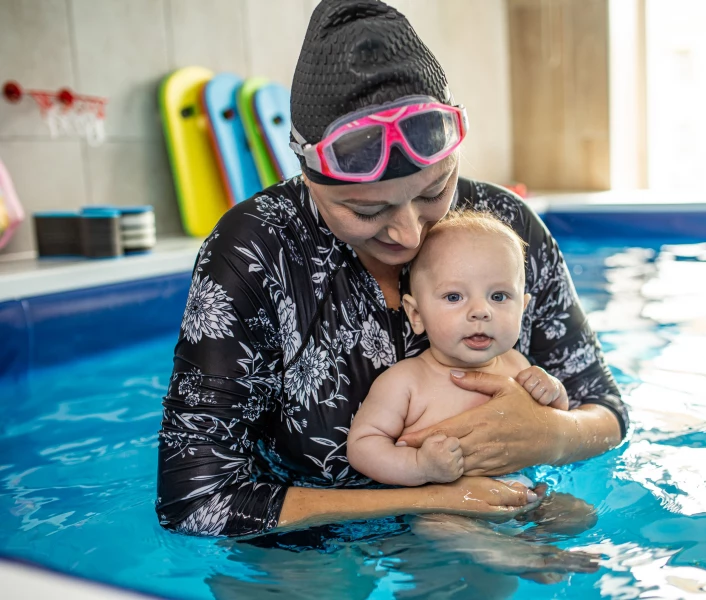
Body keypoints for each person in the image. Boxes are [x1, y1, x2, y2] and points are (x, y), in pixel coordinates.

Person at [156, 0, 627, 550]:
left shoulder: (503, 228)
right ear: (310, 176)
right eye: (365, 210)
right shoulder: (256, 252)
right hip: (310, 539)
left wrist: (552, 436)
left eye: (433, 192)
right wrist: (429, 498)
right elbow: (196, 499)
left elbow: (606, 410)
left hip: (496, 514)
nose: (409, 235)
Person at [348, 210, 571, 487]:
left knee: (577, 516)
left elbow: (554, 421)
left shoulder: (519, 367)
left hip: (525, 495)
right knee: (445, 529)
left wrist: (553, 391)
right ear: (416, 314)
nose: (480, 311)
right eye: (454, 297)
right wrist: (421, 467)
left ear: (522, 310)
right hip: (448, 512)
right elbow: (363, 445)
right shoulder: (406, 382)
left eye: (498, 296)